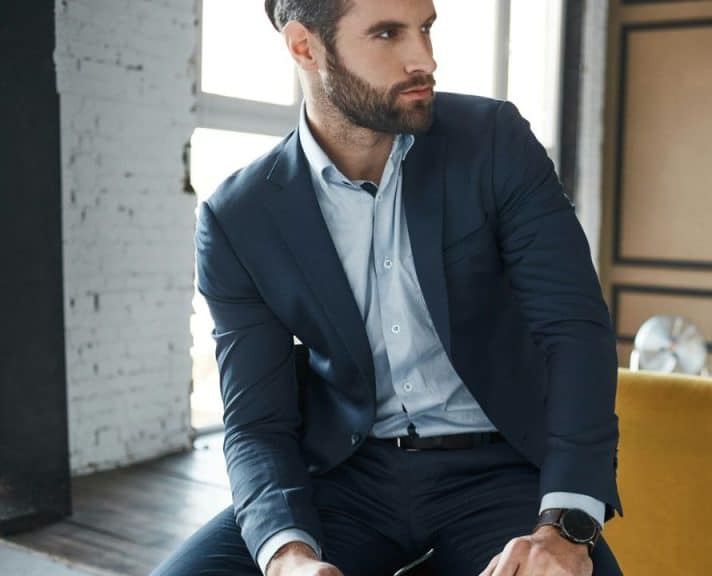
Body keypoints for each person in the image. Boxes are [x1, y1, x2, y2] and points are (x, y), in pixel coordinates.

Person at [153, 0, 622, 574]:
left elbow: (575, 333)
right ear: (304, 46)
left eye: (424, 29)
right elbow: (258, 422)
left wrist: (566, 530)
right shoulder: (239, 217)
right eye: (386, 34)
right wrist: (288, 557)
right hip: (347, 478)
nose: (423, 58)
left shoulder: (495, 142)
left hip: (499, 469)